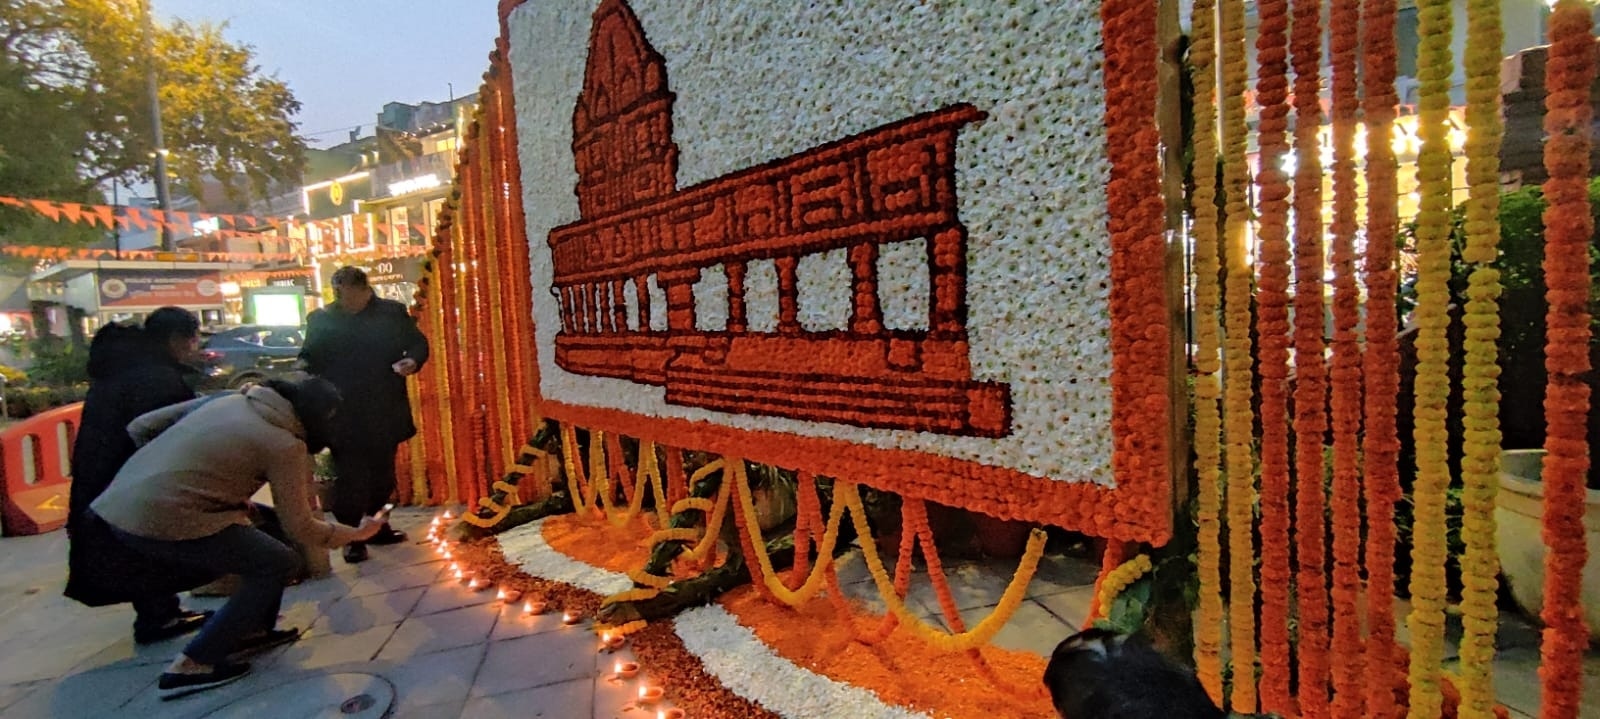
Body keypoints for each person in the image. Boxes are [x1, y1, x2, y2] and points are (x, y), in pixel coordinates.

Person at [91, 377, 384, 700]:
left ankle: (250, 628)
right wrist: (358, 534)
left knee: (269, 529)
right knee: (277, 562)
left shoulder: (230, 400)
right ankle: (193, 663)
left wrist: (173, 471)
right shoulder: (283, 443)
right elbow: (301, 527)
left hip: (119, 501)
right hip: (160, 519)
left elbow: (140, 427)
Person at [64, 307, 214, 644]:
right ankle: (157, 616)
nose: (194, 348)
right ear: (175, 339)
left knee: (135, 541)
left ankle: (160, 611)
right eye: (193, 340)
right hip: (130, 472)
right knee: (147, 539)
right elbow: (169, 434)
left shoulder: (126, 367)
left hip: (106, 469)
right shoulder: (154, 378)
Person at [300, 266, 429, 563]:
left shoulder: (391, 313)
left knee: (383, 474)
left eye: (346, 294)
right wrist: (301, 369)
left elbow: (417, 343)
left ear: (364, 290)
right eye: (337, 294)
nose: (341, 300)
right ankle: (352, 537)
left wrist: (412, 360)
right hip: (341, 411)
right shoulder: (322, 319)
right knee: (350, 476)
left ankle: (378, 526)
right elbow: (309, 354)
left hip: (384, 406)